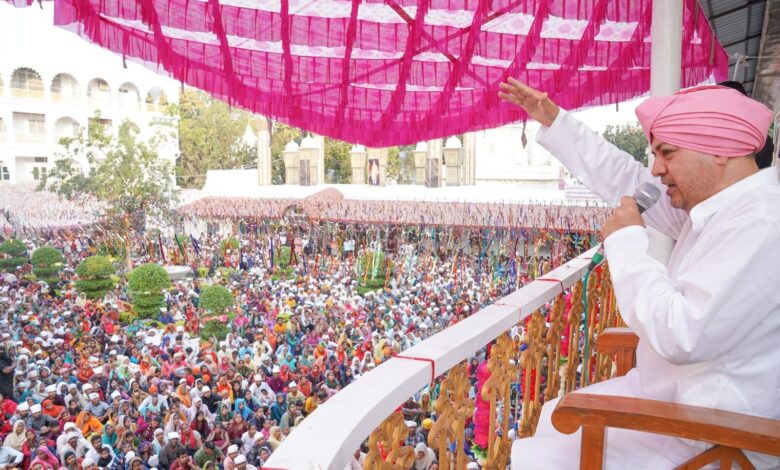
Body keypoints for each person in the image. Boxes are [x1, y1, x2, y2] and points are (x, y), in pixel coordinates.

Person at [498, 79, 779, 469]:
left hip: (716, 439)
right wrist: (556, 121)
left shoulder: (763, 222)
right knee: (553, 419)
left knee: (551, 446)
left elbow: (681, 334)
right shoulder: (726, 209)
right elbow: (626, 179)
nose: (657, 169)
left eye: (666, 153)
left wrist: (628, 241)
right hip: (686, 408)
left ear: (718, 152)